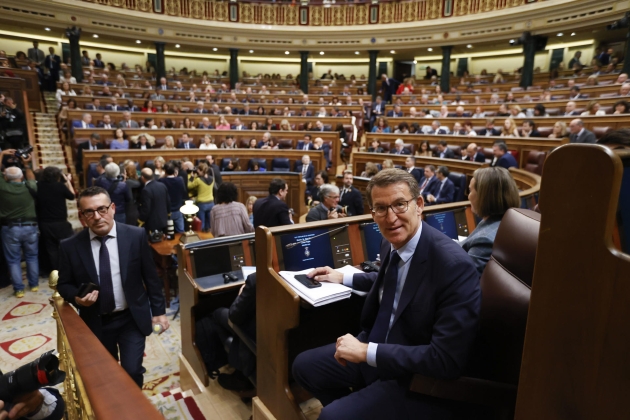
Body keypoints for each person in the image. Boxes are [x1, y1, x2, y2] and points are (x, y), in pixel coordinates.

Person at [292, 169, 480, 420]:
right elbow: (393, 282)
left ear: (419, 205)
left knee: (331, 417)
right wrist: (343, 276)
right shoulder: (390, 241)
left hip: (414, 374)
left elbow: (445, 359)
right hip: (377, 346)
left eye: (400, 205)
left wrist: (366, 351)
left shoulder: (454, 266)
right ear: (372, 213)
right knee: (303, 367)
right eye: (381, 208)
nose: (390, 218)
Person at [57, 186, 169, 388]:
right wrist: (76, 297)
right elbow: (63, 284)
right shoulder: (69, 246)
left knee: (132, 370)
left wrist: (159, 312)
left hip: (131, 318)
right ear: (82, 216)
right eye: (89, 212)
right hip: (96, 321)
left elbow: (151, 277)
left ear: (113, 208)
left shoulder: (136, 235)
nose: (97, 217)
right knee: (105, 372)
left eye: (102, 209)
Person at [460, 167, 520, 274]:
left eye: (470, 191)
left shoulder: (484, 240)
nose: (468, 197)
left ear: (484, 197)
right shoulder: (505, 221)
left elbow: (462, 278)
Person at [0, 151, 38, 297]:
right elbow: (32, 178)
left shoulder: (3, 188)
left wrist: (2, 154)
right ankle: (34, 285)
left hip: (10, 228)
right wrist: (26, 164)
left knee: (13, 260)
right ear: (20, 176)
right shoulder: (29, 187)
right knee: (32, 257)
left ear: (5, 177)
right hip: (30, 227)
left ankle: (19, 289)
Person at [36, 167, 75, 272]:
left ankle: (57, 272)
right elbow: (72, 196)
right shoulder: (60, 186)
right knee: (68, 246)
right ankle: (69, 270)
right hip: (60, 223)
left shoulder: (38, 186)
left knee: (51, 250)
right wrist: (67, 181)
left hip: (44, 224)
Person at [137, 168, 170, 234]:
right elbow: (168, 202)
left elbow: (146, 208)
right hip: (164, 220)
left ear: (142, 177)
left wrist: (140, 220)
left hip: (153, 224)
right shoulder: (162, 185)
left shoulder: (146, 190)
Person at [157, 163, 186, 233]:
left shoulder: (161, 181)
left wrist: (162, 176)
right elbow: (184, 191)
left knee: (167, 233)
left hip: (166, 211)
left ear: (165, 171)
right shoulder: (180, 180)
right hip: (178, 210)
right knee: (181, 231)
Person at [187, 163, 215, 232]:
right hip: (211, 203)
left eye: (198, 170)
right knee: (209, 224)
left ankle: (201, 240)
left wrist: (192, 177)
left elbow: (189, 186)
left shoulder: (199, 180)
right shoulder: (212, 179)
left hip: (202, 204)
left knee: (201, 224)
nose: (197, 172)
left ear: (201, 170)